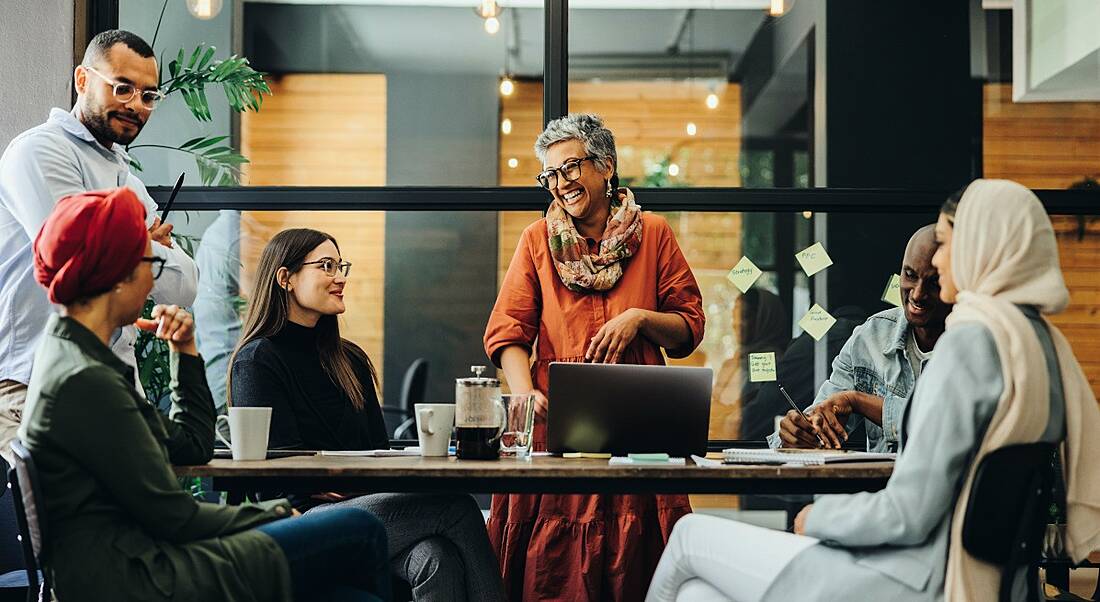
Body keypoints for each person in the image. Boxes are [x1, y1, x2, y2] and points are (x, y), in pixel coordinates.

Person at [646, 178, 1100, 602]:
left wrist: (816, 519)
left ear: (985, 246)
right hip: (989, 579)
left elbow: (909, 512)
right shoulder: (1037, 344)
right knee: (696, 595)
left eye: (947, 245)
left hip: (916, 576)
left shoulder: (969, 343)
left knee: (687, 538)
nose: (939, 261)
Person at [19, 188, 390, 602]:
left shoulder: (76, 360)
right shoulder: (88, 382)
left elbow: (191, 445)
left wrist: (185, 350)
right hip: (143, 574)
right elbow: (174, 517)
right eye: (151, 262)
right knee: (362, 529)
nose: (154, 279)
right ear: (119, 273)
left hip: (138, 559)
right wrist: (281, 511)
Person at [484, 113, 706, 601]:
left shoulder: (654, 232)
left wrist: (641, 319)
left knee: (639, 568)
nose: (560, 184)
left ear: (605, 166)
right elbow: (507, 333)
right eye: (549, 176)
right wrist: (524, 394)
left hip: (642, 430)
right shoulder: (536, 241)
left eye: (569, 169)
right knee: (555, 575)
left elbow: (689, 328)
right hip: (557, 430)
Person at [229, 228, 505, 602]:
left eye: (341, 265)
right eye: (326, 266)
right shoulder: (258, 360)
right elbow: (281, 479)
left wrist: (348, 482)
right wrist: (342, 483)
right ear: (286, 278)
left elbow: (376, 453)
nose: (340, 276)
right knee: (456, 507)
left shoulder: (350, 360)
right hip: (300, 522)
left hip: (362, 508)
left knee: (436, 557)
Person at [0, 29, 198, 464]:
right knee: (53, 529)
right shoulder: (39, 152)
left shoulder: (126, 177)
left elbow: (184, 289)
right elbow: (78, 259)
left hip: (111, 386)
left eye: (148, 96)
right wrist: (140, 244)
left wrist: (133, 246)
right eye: (122, 88)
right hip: (32, 385)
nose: (135, 105)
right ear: (83, 80)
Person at [769, 224, 950, 452]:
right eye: (910, 275)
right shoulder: (870, 337)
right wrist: (799, 433)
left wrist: (858, 401)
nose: (917, 293)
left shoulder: (971, 344)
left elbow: (944, 424)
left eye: (934, 283)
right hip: (877, 486)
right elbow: (822, 415)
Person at [711, 289, 789, 439]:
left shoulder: (771, 363)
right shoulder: (731, 363)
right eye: (734, 316)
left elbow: (757, 410)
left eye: (744, 316)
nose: (736, 323)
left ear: (766, 318)